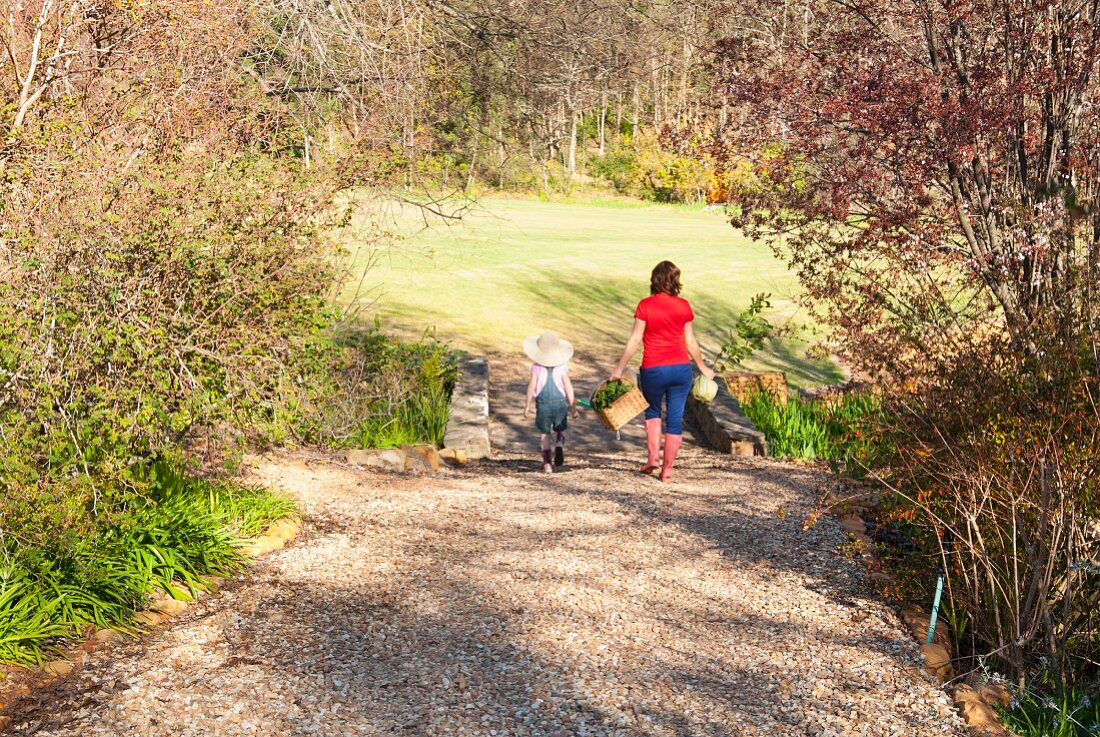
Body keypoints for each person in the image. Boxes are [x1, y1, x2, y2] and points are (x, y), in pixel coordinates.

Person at [611, 261, 716, 482]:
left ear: (654, 280)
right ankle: (667, 471)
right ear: (675, 281)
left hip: (653, 370)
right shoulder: (684, 306)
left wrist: (619, 368)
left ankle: (652, 459)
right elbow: (690, 341)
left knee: (652, 412)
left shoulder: (645, 305)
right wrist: (703, 368)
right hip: (680, 370)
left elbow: (636, 339)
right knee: (675, 419)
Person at [523, 331, 579, 473]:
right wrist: (573, 408)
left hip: (543, 405)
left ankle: (547, 464)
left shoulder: (536, 367)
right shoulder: (562, 367)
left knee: (545, 433)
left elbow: (531, 386)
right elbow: (568, 387)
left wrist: (527, 406)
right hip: (560, 403)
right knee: (560, 427)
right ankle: (559, 444)